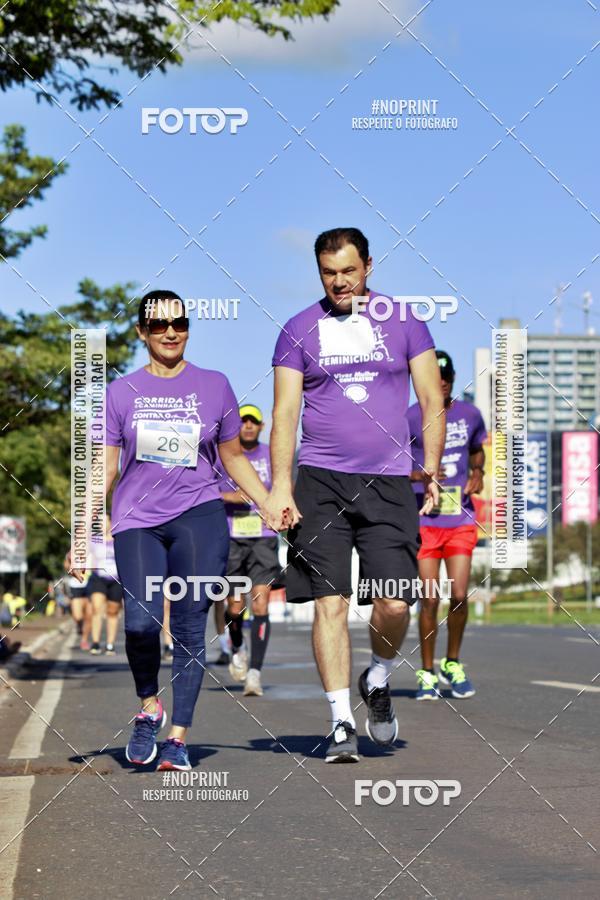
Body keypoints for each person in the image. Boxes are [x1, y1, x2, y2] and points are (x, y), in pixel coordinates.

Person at [70, 290, 284, 771]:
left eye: (180, 323)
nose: (171, 332)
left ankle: (178, 739)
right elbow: (103, 469)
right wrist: (80, 535)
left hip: (199, 517)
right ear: (142, 332)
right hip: (138, 521)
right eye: (159, 325)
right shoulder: (120, 392)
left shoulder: (215, 385)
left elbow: (233, 457)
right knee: (140, 622)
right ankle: (149, 705)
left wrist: (267, 502)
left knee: (189, 625)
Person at [266, 227, 444, 763]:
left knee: (395, 600)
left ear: (368, 265)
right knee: (330, 602)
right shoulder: (298, 329)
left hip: (388, 482)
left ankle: (379, 676)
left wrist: (432, 469)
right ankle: (341, 721)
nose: (339, 281)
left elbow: (430, 397)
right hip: (320, 481)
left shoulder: (405, 321)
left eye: (348, 270)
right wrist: (280, 485)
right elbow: (285, 413)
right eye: (329, 273)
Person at [408, 350, 486, 700]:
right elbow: (390, 464)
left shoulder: (470, 415)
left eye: (446, 378)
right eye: (434, 377)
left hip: (460, 519)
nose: (441, 383)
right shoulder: (409, 417)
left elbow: (477, 449)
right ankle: (426, 671)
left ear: (452, 380)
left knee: (458, 594)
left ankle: (452, 663)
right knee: (429, 599)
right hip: (425, 520)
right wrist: (419, 475)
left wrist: (478, 471)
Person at [216, 404, 280, 697]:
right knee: (234, 605)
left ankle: (255, 673)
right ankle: (237, 646)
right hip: (231, 537)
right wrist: (230, 496)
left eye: (254, 421)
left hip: (263, 537)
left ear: (261, 426)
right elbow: (204, 489)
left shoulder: (271, 454)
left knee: (261, 603)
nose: (249, 426)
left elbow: (283, 487)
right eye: (244, 421)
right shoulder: (224, 454)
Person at [88, 515, 122, 655]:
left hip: (116, 579)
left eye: (104, 521)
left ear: (110, 522)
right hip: (99, 578)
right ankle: (95, 643)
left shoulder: (119, 538)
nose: (101, 524)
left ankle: (110, 644)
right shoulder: (93, 540)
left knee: (112, 612)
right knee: (96, 608)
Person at [64, 559, 92, 650]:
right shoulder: (72, 552)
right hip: (75, 586)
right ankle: (80, 626)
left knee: (88, 616)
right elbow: (66, 565)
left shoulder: (94, 551)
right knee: (77, 616)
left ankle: (84, 640)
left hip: (91, 584)